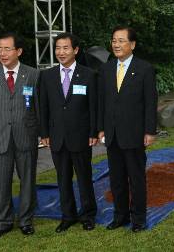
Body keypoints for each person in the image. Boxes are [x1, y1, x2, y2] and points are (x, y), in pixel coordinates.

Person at [0, 33, 40, 240]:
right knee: (0, 183)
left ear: (19, 51)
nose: (2, 53)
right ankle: (2, 222)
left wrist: (40, 133)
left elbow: (38, 107)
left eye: (7, 49)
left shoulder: (33, 74)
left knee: (27, 181)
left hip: (26, 135)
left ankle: (25, 220)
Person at [98, 26, 157, 233]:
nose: (116, 44)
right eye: (114, 40)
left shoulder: (144, 69)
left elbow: (151, 102)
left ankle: (139, 218)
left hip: (134, 134)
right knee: (117, 180)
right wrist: (101, 129)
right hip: (112, 135)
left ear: (132, 44)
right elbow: (102, 101)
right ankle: (120, 216)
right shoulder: (106, 69)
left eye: (121, 40)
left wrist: (150, 131)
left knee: (136, 179)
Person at [39, 33, 98, 233]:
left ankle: (88, 215)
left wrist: (93, 132)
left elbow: (93, 107)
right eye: (58, 48)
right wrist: (44, 132)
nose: (61, 52)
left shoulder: (89, 74)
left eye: (65, 48)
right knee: (62, 179)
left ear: (75, 50)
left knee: (84, 178)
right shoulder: (47, 76)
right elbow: (43, 107)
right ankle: (68, 215)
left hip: (81, 136)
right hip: (57, 137)